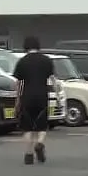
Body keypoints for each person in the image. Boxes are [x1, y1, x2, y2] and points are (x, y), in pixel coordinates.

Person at [13, 36, 56, 165]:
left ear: (25, 46)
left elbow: (19, 83)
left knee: (27, 128)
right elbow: (53, 79)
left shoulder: (22, 61)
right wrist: (57, 95)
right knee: (42, 125)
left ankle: (28, 154)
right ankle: (40, 143)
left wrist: (17, 100)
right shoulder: (46, 60)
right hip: (42, 95)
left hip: (27, 96)